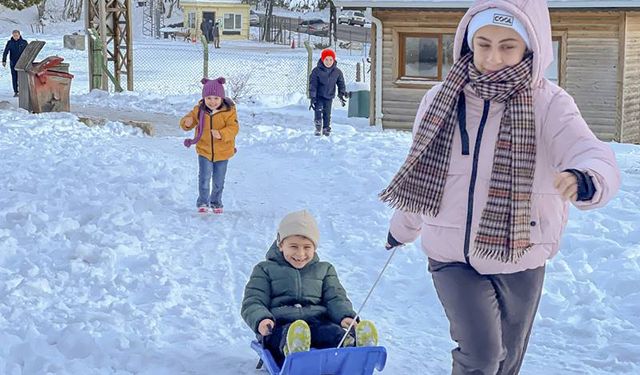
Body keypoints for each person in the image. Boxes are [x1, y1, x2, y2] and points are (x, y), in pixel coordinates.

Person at [380, 1, 620, 374]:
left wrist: (586, 177)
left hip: (520, 252)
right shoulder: (439, 100)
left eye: (507, 45)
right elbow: (421, 176)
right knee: (481, 354)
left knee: (507, 359)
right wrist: (402, 229)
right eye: (484, 44)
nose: (493, 57)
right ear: (468, 43)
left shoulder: (549, 104)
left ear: (530, 46)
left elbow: (590, 152)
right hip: (451, 255)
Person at [241, 210, 378, 365]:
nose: (300, 253)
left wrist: (345, 316)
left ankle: (355, 346)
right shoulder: (265, 269)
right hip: (279, 325)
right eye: (293, 246)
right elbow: (253, 301)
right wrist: (262, 319)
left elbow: (336, 298)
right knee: (282, 336)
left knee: (333, 333)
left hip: (316, 322)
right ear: (280, 244)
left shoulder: (324, 270)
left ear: (315, 247)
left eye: (307, 247)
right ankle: (293, 348)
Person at [180, 77, 239, 214]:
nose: (212, 102)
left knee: (219, 181)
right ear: (204, 98)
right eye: (209, 98)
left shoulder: (229, 111)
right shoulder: (199, 110)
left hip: (223, 152)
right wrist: (187, 123)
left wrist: (222, 134)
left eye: (216, 98)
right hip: (204, 150)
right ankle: (202, 201)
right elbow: (188, 120)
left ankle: (216, 202)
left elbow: (234, 128)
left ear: (222, 98)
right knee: (204, 179)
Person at [308, 48, 347, 136]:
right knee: (318, 110)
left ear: (334, 60)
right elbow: (312, 84)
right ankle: (318, 126)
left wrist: (341, 93)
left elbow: (341, 83)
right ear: (322, 59)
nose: (328, 62)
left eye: (330, 60)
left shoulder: (337, 72)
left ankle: (326, 128)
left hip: (329, 96)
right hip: (318, 96)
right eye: (326, 59)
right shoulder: (316, 71)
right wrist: (312, 96)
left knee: (327, 113)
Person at [2, 30, 28, 97]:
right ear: (12, 35)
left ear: (19, 35)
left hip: (22, 63)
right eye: (14, 35)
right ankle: (16, 91)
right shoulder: (10, 43)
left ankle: (23, 91)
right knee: (14, 77)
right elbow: (5, 52)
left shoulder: (24, 42)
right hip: (13, 63)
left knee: (22, 77)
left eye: (16, 35)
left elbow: (28, 52)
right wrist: (4, 60)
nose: (15, 37)